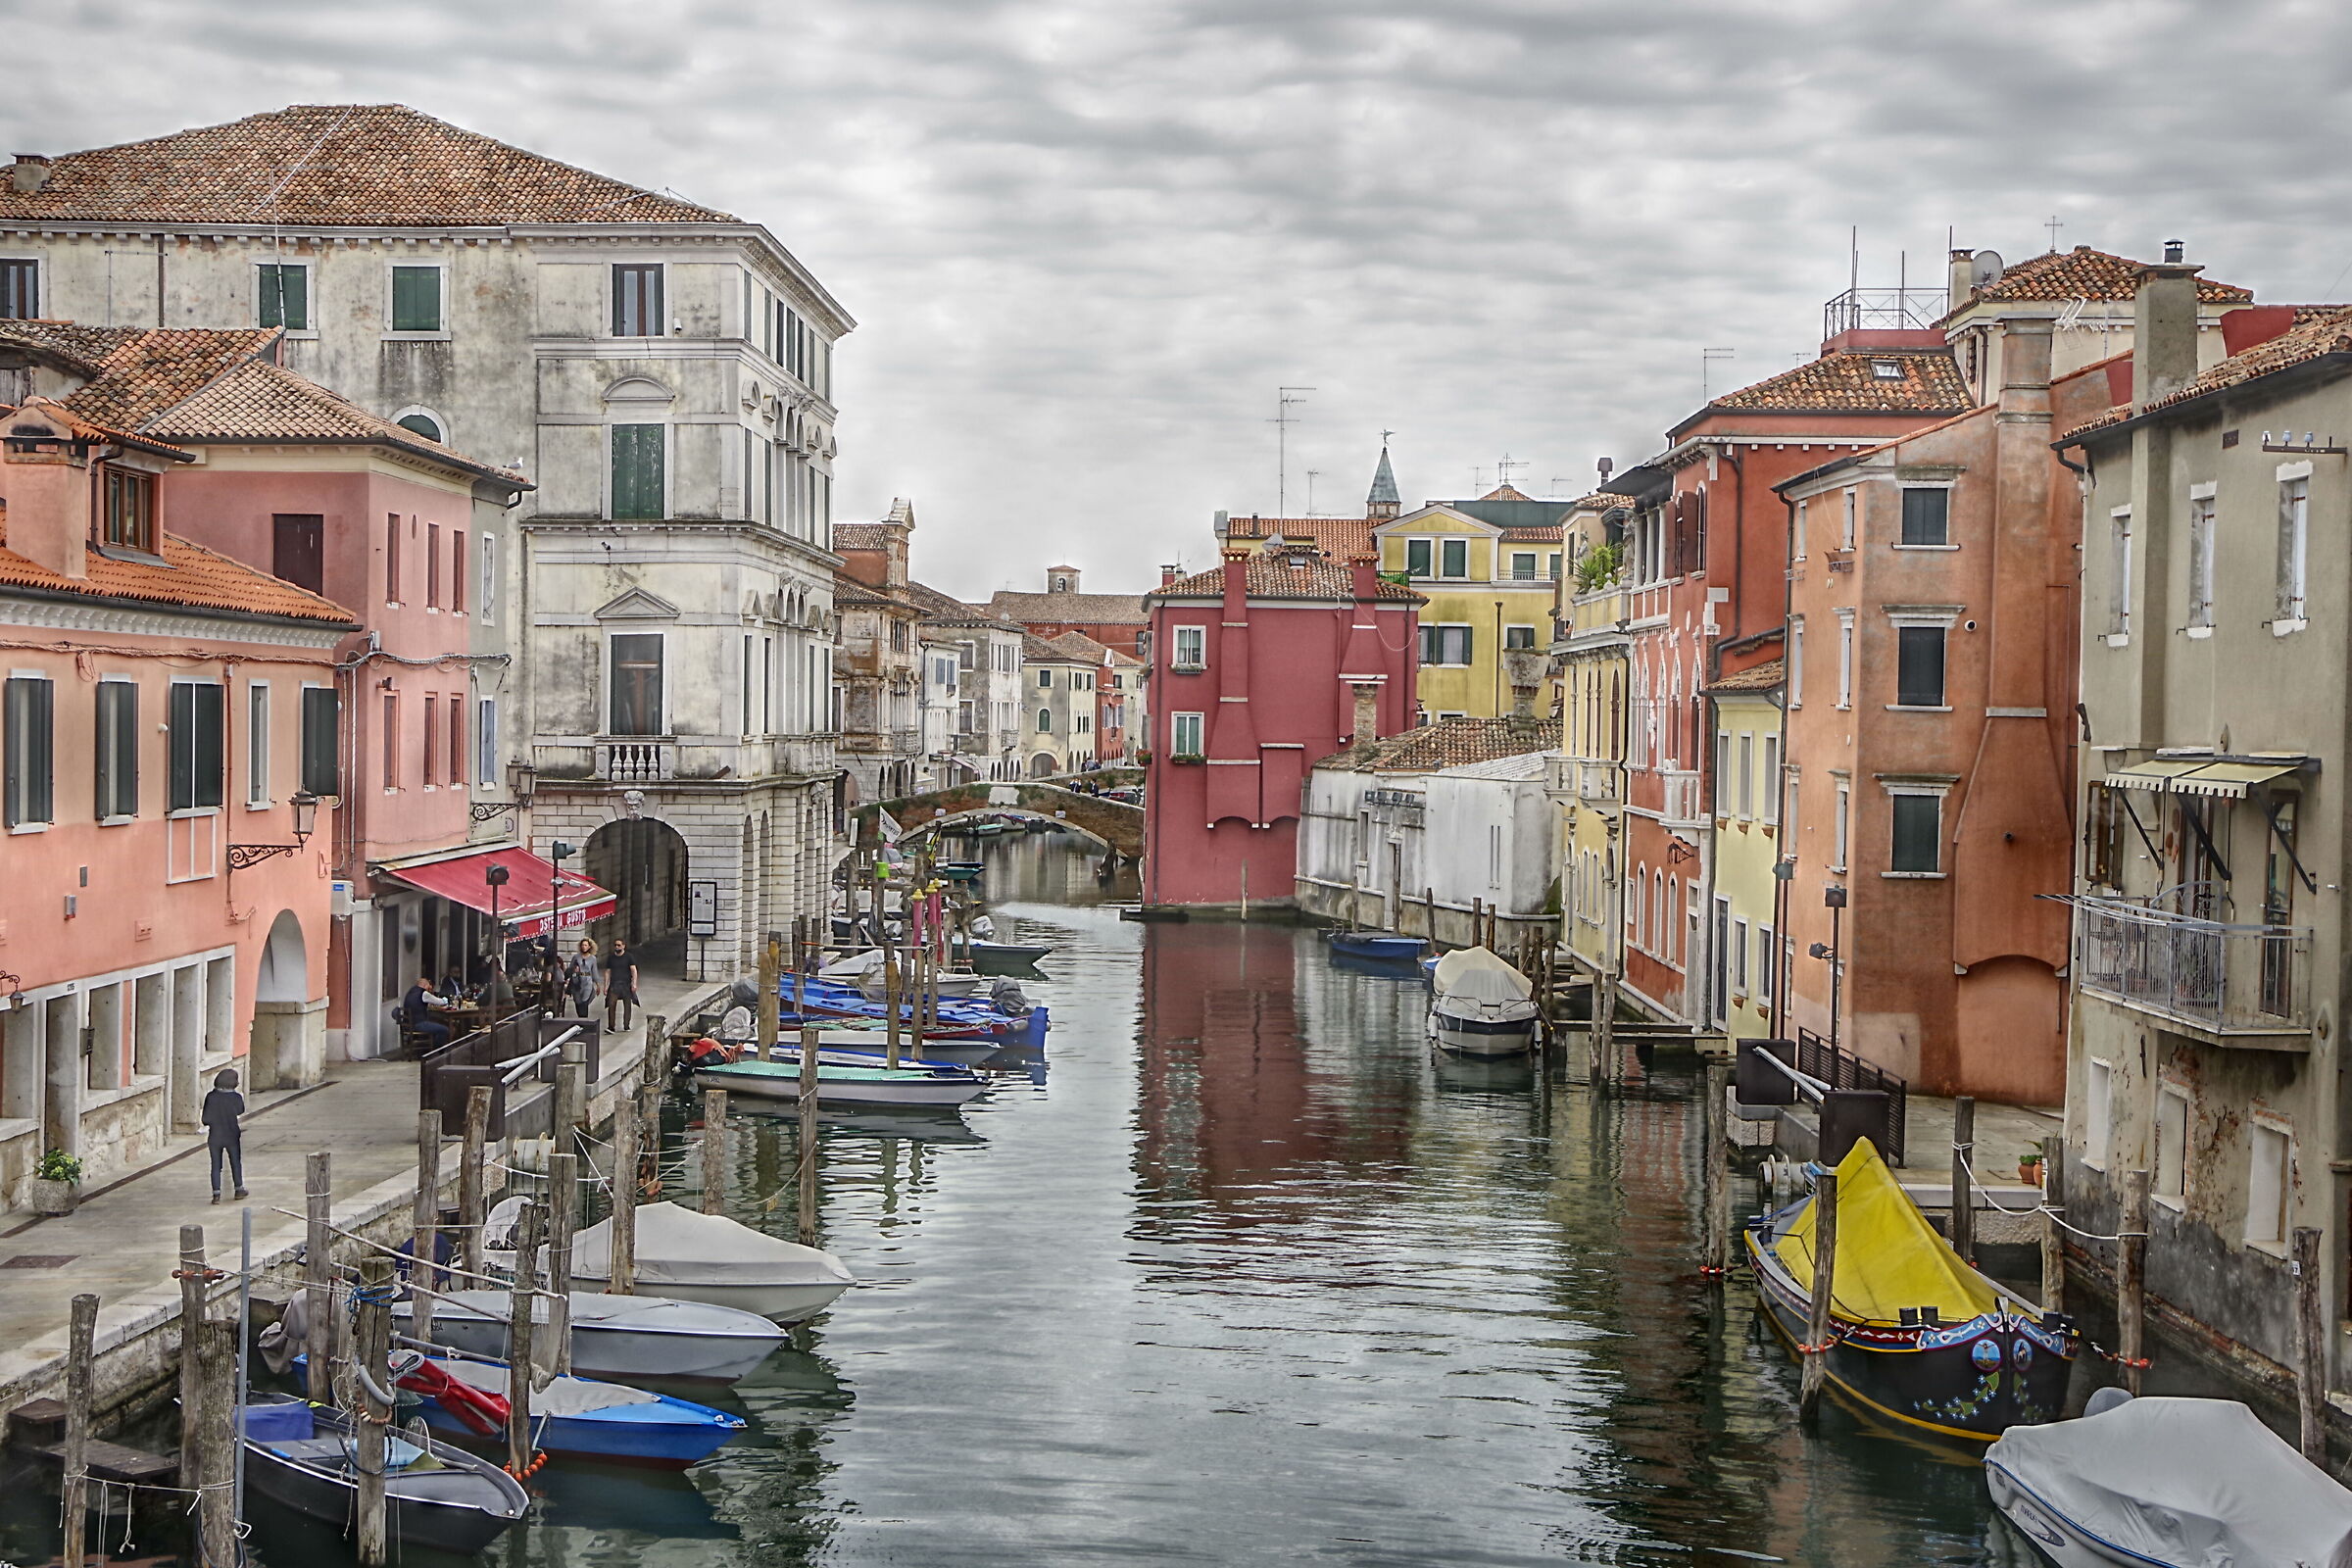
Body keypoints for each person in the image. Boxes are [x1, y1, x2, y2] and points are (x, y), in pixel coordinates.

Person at [203, 1068, 248, 1203]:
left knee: (216, 1165)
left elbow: (205, 1119)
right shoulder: (236, 1097)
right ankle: (239, 1189)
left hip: (215, 1135)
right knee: (235, 1162)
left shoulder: (211, 1097)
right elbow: (241, 1110)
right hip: (231, 1134)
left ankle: (216, 1194)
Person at [402, 974, 454, 1050]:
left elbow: (419, 1004)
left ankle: (430, 1048)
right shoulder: (424, 993)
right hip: (419, 1024)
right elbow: (441, 1002)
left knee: (435, 1022)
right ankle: (437, 1050)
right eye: (429, 985)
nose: (430, 987)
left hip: (409, 1024)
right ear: (425, 985)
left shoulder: (410, 992)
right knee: (444, 1029)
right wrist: (448, 998)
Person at [604, 938, 640, 1031]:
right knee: (611, 1004)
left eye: (619, 945)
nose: (617, 947)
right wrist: (605, 986)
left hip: (626, 984)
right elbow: (608, 972)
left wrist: (634, 984)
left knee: (627, 1005)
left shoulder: (629, 957)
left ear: (624, 946)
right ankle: (611, 1027)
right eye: (615, 945)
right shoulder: (611, 957)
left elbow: (634, 970)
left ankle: (626, 1025)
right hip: (614, 984)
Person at [566, 938, 601, 1020]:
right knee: (578, 1002)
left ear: (589, 947)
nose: (584, 947)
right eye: (582, 945)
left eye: (585, 945)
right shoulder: (576, 957)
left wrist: (598, 985)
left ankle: (584, 1020)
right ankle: (580, 1018)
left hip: (587, 981)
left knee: (584, 1002)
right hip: (577, 981)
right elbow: (570, 969)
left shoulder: (593, 958)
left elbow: (594, 971)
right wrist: (574, 970)